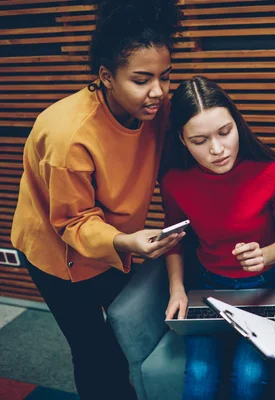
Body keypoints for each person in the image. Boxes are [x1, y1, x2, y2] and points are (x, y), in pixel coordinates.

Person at [10, 1, 182, 399]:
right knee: (94, 351)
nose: (158, 91)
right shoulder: (68, 136)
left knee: (127, 332)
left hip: (114, 237)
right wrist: (126, 241)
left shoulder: (158, 108)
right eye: (142, 80)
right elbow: (72, 223)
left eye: (165, 77)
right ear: (106, 76)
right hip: (57, 250)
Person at [159, 76, 275, 400]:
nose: (217, 149)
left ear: (237, 124)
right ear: (182, 140)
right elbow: (176, 239)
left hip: (270, 285)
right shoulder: (174, 181)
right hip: (211, 287)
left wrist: (267, 254)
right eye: (200, 140)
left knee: (249, 377)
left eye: (225, 132)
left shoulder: (272, 172)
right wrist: (176, 290)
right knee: (199, 377)